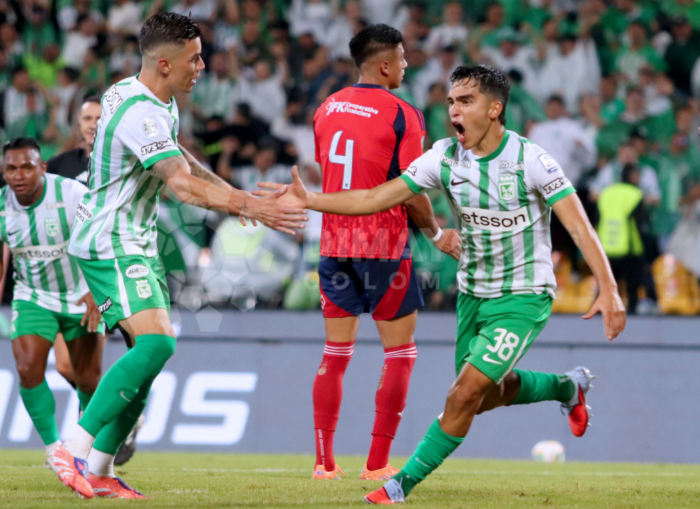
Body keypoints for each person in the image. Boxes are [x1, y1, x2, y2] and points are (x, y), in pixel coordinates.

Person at [263, 65, 626, 504]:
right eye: (451, 101)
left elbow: (580, 227)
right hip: (472, 294)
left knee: (463, 394)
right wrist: (312, 200)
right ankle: (567, 387)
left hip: (524, 295)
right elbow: (375, 197)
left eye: (466, 101)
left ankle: (399, 486)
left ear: (494, 109)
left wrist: (609, 288)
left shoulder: (531, 160)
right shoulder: (444, 158)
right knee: (484, 396)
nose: (454, 110)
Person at [49, 12, 306, 500]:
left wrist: (233, 194)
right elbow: (181, 186)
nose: (203, 67)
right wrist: (249, 205)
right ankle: (73, 448)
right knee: (156, 345)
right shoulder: (141, 112)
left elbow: (182, 160)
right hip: (110, 239)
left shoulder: (146, 96)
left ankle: (100, 468)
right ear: (164, 63)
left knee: (148, 355)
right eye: (195, 58)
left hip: (135, 238)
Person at [305, 24, 458, 482]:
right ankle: (375, 464)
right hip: (383, 245)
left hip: (334, 243)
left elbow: (332, 173)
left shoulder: (326, 108)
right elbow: (411, 188)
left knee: (335, 353)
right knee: (400, 354)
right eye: (403, 58)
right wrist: (436, 232)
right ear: (386, 65)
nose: (407, 65)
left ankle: (323, 463)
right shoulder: (403, 113)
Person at [0, 137, 104, 466]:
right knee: (27, 367)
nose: (19, 175)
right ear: (3, 171)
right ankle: (53, 449)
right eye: (11, 168)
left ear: (42, 168)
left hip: (81, 293)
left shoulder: (71, 195)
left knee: (88, 379)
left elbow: (102, 240)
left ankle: (89, 449)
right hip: (33, 296)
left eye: (27, 167)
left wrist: (98, 290)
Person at [597, 163, 659, 315]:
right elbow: (640, 223)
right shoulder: (635, 194)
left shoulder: (606, 193)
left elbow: (597, 218)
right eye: (637, 175)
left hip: (606, 245)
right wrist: (646, 247)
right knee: (633, 286)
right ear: (631, 177)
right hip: (628, 246)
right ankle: (633, 311)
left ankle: (599, 311)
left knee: (606, 285)